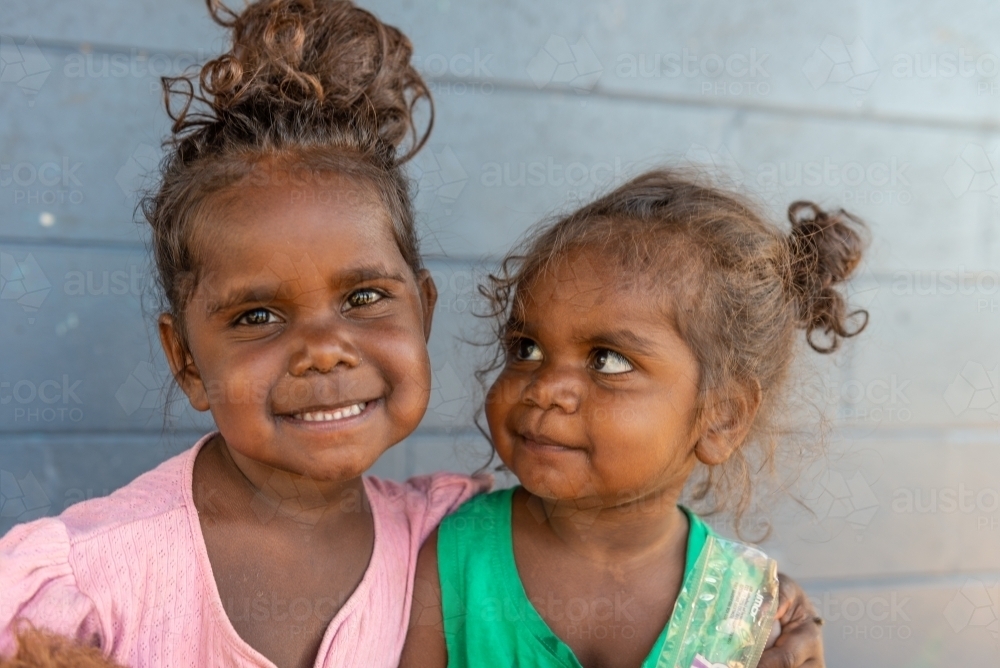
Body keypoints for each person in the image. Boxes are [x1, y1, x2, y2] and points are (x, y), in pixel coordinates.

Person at [0, 1, 826, 666]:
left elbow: (619, 532)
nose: (325, 348)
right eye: (258, 316)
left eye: (363, 297)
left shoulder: (438, 532)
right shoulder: (82, 582)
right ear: (185, 358)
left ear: (424, 311)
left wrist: (753, 606)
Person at [401, 170, 865, 668]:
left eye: (607, 360)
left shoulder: (742, 609)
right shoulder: (455, 560)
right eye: (526, 348)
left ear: (722, 418)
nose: (544, 388)